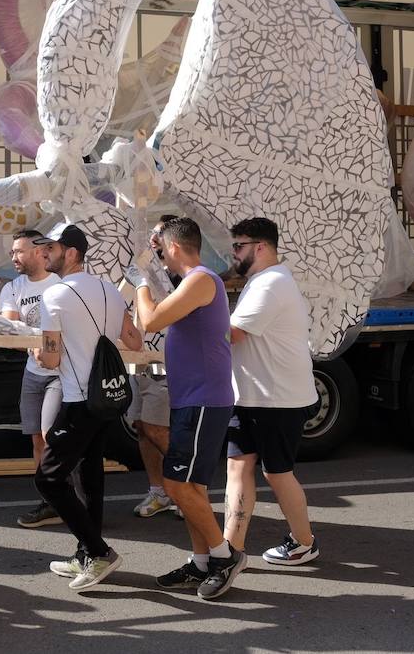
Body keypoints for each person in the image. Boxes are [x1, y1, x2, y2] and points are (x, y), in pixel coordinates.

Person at [128, 217, 244, 600]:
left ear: (175, 247)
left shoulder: (201, 280)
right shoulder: (191, 283)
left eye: (162, 247)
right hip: (192, 398)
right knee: (192, 486)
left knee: (177, 484)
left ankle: (224, 556)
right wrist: (151, 253)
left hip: (204, 399)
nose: (159, 253)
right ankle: (200, 562)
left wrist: (141, 276)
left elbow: (150, 319)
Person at [34, 225, 142, 591]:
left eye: (51, 248)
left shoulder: (54, 296)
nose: (44, 253)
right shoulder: (110, 289)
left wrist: (36, 351)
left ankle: (98, 552)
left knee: (48, 478)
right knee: (89, 474)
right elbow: (134, 339)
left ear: (73, 253)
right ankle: (86, 553)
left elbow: (50, 359)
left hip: (79, 400)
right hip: (107, 398)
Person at [223, 217, 321, 569]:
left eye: (239, 246)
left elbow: (232, 333)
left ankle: (304, 542)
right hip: (250, 395)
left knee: (276, 472)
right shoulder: (259, 281)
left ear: (261, 247)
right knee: (238, 466)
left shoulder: (272, 284)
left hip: (278, 398)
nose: (233, 253)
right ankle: (230, 550)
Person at [1, 229, 63, 529]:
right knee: (37, 439)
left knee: (53, 437)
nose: (14, 257)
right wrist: (33, 344)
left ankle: (68, 498)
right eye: (13, 252)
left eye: (19, 251)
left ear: (39, 252)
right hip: (33, 373)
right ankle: (50, 500)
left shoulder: (61, 283)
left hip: (62, 374)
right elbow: (11, 327)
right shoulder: (12, 287)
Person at [130, 215, 181, 519]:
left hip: (167, 364)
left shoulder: (180, 277)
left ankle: (186, 487)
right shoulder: (147, 273)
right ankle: (158, 492)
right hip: (140, 364)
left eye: (159, 235)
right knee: (141, 429)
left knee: (157, 428)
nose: (152, 239)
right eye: (152, 233)